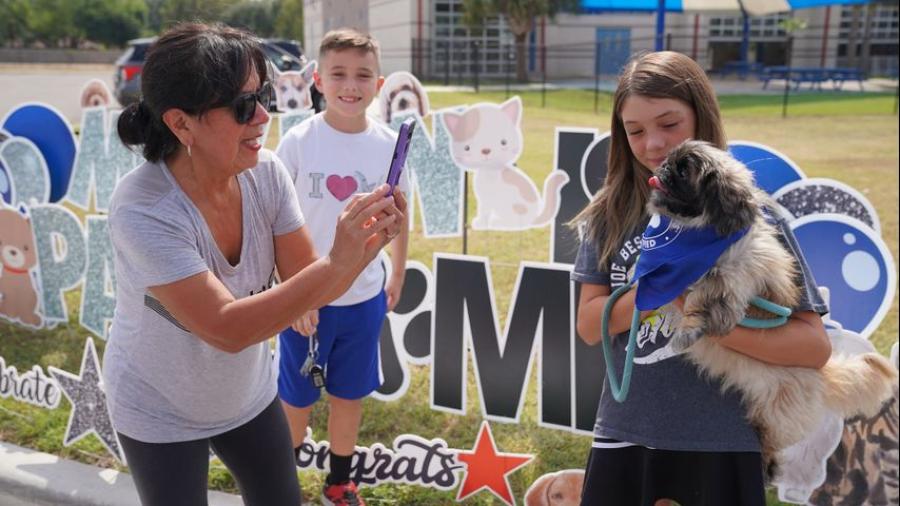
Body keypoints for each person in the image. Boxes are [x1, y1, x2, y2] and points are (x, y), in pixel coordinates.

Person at [106, 23, 405, 506]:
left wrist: (366, 242)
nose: (265, 115)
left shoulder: (265, 172)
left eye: (263, 94)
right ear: (181, 124)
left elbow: (311, 283)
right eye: (245, 106)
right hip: (158, 406)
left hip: (246, 395)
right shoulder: (143, 207)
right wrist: (336, 261)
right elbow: (227, 329)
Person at [570, 51, 832, 506]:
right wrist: (662, 289)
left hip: (721, 441)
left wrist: (708, 321)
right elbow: (590, 326)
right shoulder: (608, 216)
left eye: (669, 124)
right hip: (626, 433)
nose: (653, 143)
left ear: (702, 116)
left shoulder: (754, 216)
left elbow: (814, 346)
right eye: (635, 130)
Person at [274, 28, 410, 506]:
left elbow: (399, 213)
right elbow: (275, 221)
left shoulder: (390, 144)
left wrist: (397, 271)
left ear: (379, 82)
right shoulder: (297, 141)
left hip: (362, 297)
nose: (350, 85)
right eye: (338, 74)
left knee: (349, 396)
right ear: (317, 79)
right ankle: (281, 483)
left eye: (363, 75)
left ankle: (340, 480)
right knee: (297, 398)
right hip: (306, 299)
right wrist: (292, 293)